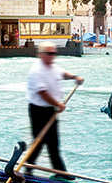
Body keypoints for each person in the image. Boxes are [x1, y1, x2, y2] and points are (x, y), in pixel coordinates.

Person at [26, 43, 83, 173]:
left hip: (50, 110)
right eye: (50, 53)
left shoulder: (53, 67)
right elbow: (42, 92)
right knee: (39, 142)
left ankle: (60, 172)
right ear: (41, 54)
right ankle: (29, 169)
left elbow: (63, 74)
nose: (53, 56)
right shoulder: (36, 71)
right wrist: (58, 104)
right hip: (38, 111)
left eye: (54, 53)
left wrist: (74, 77)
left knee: (53, 143)